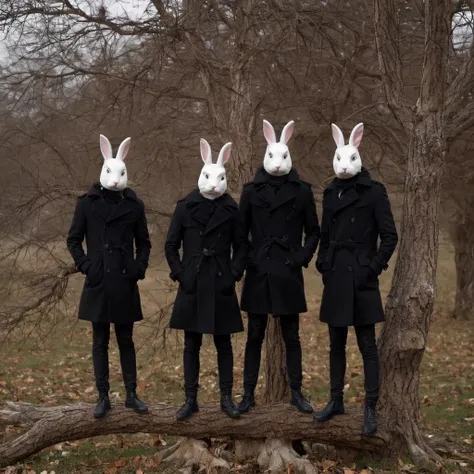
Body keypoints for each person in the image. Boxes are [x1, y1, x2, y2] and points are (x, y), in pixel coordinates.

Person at [314, 123, 398, 435]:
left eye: (349, 158)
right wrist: (323, 264)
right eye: (340, 158)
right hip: (336, 273)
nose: (344, 165)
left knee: (366, 344)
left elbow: (389, 236)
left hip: (361, 275)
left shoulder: (375, 192)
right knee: (336, 342)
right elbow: (324, 234)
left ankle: (370, 410)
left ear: (357, 154)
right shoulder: (330, 192)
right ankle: (335, 401)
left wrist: (372, 268)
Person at [237, 119, 320, 415]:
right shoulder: (250, 192)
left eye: (282, 155)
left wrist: (299, 258)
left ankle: (296, 392)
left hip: (288, 270)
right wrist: (250, 259)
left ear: (288, 155)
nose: (276, 162)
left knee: (291, 336)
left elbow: (313, 231)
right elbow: (240, 232)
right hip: (259, 270)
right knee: (254, 335)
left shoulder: (301, 191)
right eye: (272, 155)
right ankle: (247, 395)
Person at [67, 135, 151, 419]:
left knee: (126, 340)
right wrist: (87, 267)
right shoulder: (87, 204)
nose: (115, 180)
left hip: (125, 280)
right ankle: (103, 397)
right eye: (110, 173)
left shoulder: (135, 205)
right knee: (99, 340)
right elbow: (74, 240)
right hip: (99, 280)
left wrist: (138, 269)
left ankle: (131, 395)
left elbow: (145, 242)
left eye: (120, 174)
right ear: (103, 170)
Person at [165, 139, 247, 421]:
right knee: (192, 343)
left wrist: (233, 274)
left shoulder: (232, 210)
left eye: (219, 178)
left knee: (223, 343)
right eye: (208, 177)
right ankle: (191, 399)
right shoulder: (185, 207)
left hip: (221, 279)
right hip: (193, 280)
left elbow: (242, 247)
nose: (213, 184)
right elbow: (170, 245)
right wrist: (180, 274)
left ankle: (227, 398)